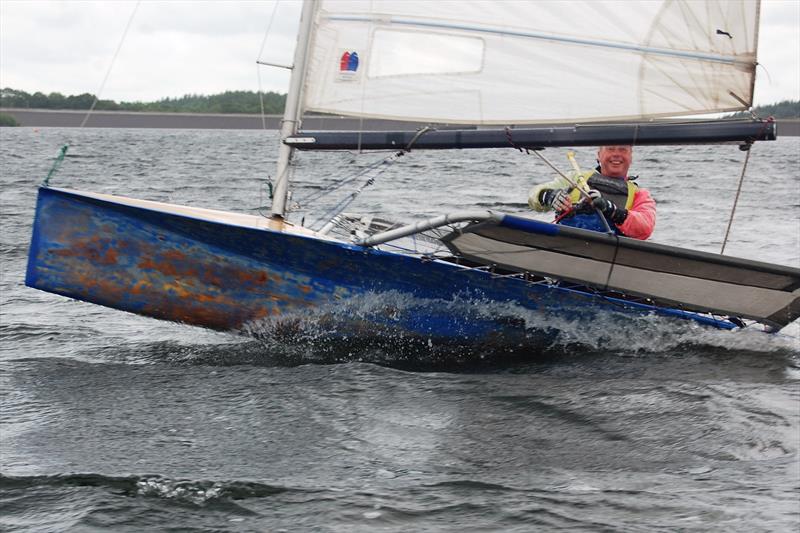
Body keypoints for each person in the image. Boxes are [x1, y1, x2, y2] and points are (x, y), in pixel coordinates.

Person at [528, 145, 656, 240]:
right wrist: (548, 196)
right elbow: (534, 195)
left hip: (609, 256)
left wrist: (612, 211)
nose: (616, 154)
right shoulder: (574, 178)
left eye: (623, 149)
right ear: (599, 154)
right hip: (565, 246)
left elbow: (645, 228)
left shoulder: (639, 194)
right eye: (610, 149)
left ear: (631, 157)